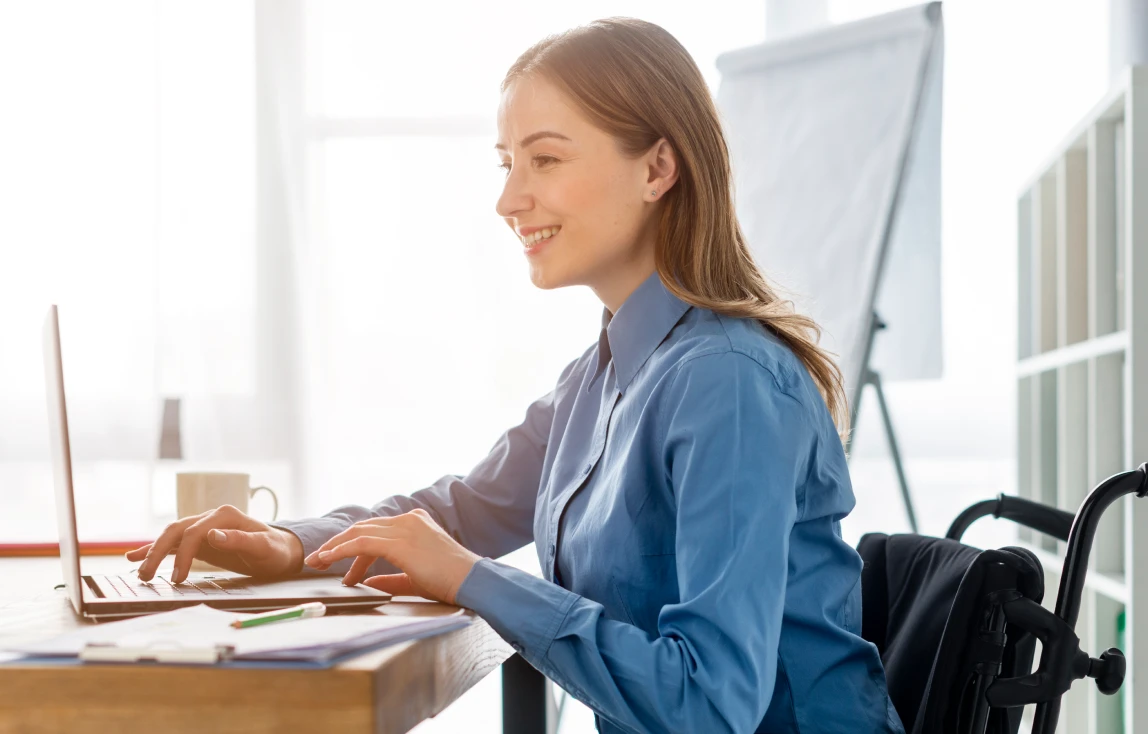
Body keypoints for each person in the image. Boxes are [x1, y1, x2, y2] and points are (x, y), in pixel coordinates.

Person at [127, 18, 903, 734]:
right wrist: (291, 546)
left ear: (658, 167)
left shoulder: (726, 382)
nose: (508, 199)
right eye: (506, 164)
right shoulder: (602, 376)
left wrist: (472, 580)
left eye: (546, 159)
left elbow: (708, 703)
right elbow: (461, 510)